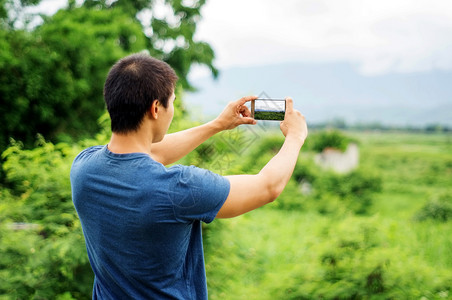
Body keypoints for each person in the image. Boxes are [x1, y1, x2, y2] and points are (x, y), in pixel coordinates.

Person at [70, 53, 308, 299]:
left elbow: (147, 152)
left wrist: (217, 124)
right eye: (171, 102)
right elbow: (267, 187)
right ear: (155, 108)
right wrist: (295, 136)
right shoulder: (177, 189)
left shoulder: (83, 168)